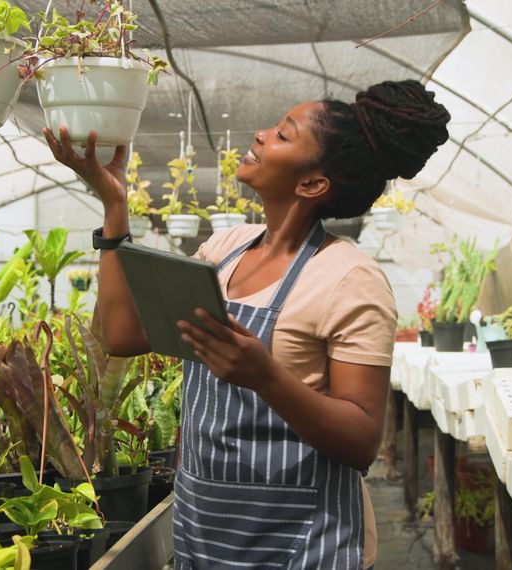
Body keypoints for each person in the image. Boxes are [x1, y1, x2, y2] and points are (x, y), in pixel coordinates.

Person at [43, 79, 451, 570]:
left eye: (283, 135)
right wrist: (114, 208)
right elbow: (121, 336)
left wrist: (266, 376)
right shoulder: (223, 250)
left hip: (301, 546)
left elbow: (363, 439)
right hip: (204, 536)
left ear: (312, 184)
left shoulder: (350, 278)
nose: (260, 135)